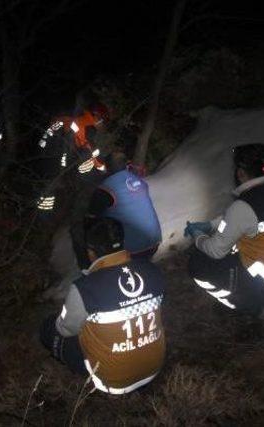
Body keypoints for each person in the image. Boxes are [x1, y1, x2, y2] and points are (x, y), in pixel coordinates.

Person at [40, 217, 166, 394]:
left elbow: (65, 330)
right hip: (153, 369)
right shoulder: (152, 271)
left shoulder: (85, 288)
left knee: (48, 328)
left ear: (91, 252)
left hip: (112, 382)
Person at [184, 143, 264, 315]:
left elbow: (215, 250)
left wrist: (198, 236)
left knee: (199, 264)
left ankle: (241, 304)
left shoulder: (244, 206)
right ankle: (254, 293)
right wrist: (211, 225)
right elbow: (246, 218)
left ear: (240, 173)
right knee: (237, 241)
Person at [71, 152, 162, 269]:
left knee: (80, 229)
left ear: (107, 168)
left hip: (132, 250)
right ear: (125, 164)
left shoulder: (105, 189)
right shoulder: (138, 180)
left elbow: (91, 218)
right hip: (154, 241)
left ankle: (89, 270)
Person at [36, 103, 110, 212]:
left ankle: (39, 218)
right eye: (103, 121)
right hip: (58, 162)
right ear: (98, 118)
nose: (102, 125)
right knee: (49, 195)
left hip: (44, 157)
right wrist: (103, 169)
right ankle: (45, 220)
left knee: (46, 192)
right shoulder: (85, 124)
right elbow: (89, 150)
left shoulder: (66, 120)